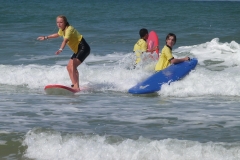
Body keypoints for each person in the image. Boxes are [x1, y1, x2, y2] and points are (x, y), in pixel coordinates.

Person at [37, 15, 90, 91]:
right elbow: (58, 34)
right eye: (57, 22)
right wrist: (46, 37)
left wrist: (60, 49)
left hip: (83, 48)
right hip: (77, 50)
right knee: (69, 67)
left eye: (61, 22)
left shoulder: (69, 29)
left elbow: (65, 40)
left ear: (65, 22)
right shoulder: (62, 30)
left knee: (73, 65)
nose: (59, 24)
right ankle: (74, 85)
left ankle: (76, 87)